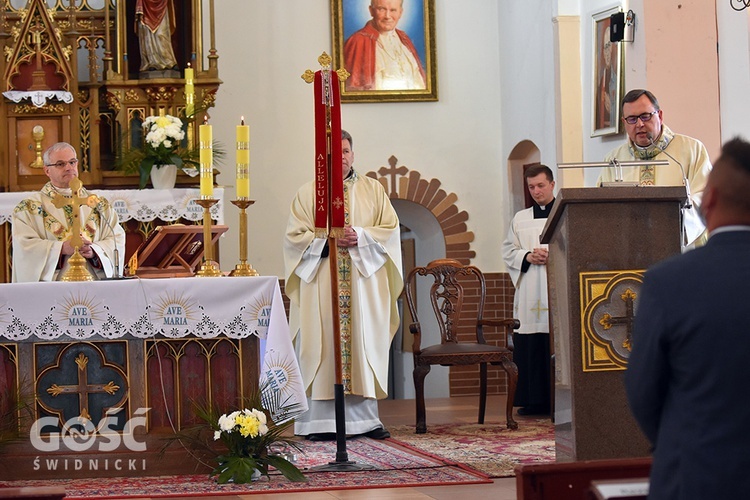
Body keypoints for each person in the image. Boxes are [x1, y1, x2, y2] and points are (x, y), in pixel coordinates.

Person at [625, 137, 750, 499]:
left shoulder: (669, 282)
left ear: (707, 201)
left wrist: (679, 442)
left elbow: (643, 390)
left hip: (698, 473)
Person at [283, 130, 403, 440]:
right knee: (320, 347)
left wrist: (360, 236)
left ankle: (365, 421)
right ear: (323, 159)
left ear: (353, 153)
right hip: (321, 282)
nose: (344, 157)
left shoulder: (373, 190)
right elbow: (294, 238)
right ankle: (318, 423)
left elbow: (389, 231)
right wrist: (327, 240)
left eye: (347, 151)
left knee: (361, 345)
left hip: (362, 284)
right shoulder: (308, 193)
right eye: (337, 153)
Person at [598, 89, 712, 247]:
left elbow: (705, 196)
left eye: (645, 116)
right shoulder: (614, 159)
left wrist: (673, 226)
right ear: (624, 123)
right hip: (629, 251)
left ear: (660, 115)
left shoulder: (691, 150)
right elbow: (600, 207)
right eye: (632, 119)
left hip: (681, 250)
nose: (639, 124)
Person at [11, 142, 125, 283]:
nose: (68, 168)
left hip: (93, 286)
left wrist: (94, 251)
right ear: (47, 171)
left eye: (72, 162)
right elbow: (24, 246)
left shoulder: (98, 203)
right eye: (60, 164)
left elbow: (116, 238)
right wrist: (61, 249)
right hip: (53, 290)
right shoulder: (29, 208)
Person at [501, 164, 554, 416]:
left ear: (552, 184)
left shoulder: (565, 213)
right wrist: (527, 256)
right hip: (530, 288)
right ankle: (532, 401)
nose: (536, 191)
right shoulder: (520, 218)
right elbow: (508, 251)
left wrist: (551, 255)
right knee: (531, 344)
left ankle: (558, 400)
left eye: (541, 185)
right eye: (531, 187)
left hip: (555, 289)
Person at [343, 0, 426, 91]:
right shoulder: (357, 41)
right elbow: (352, 89)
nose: (387, 16)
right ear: (371, 11)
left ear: (400, 13)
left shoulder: (405, 39)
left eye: (393, 10)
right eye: (381, 9)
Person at [135, 0, 178, 72]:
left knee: (161, 34)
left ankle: (168, 61)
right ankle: (151, 62)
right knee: (148, 36)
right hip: (146, 5)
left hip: (162, 4)